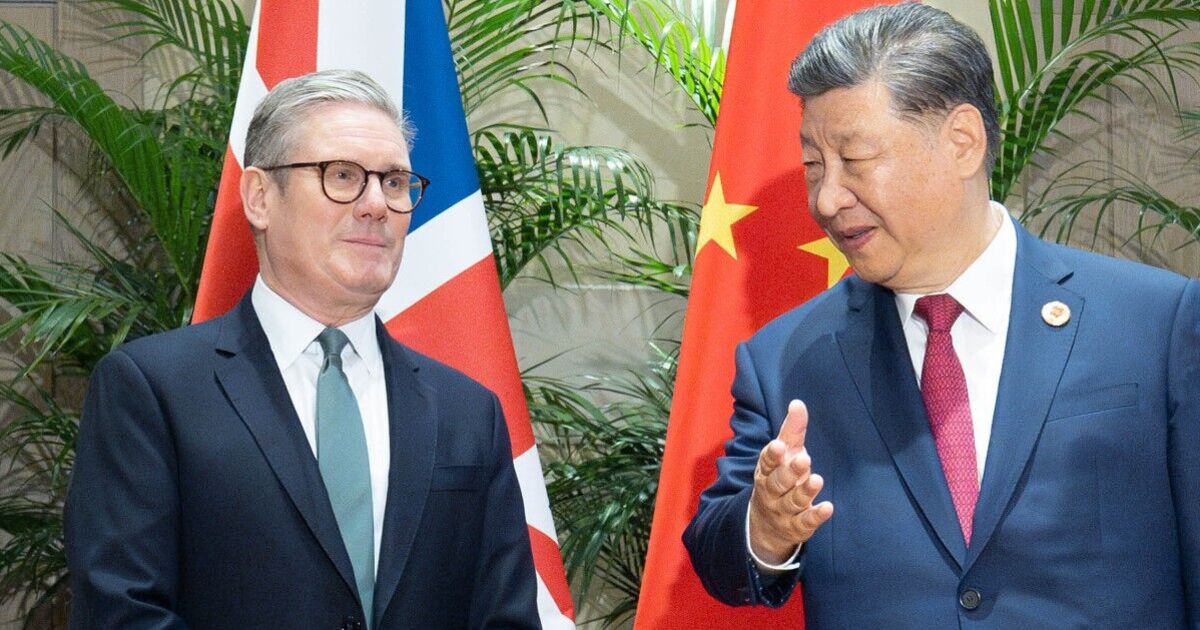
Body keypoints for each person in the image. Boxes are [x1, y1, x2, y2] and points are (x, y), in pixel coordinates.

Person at [683, 3, 1200, 627]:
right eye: (814, 166)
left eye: (856, 158)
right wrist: (765, 527)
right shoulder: (786, 359)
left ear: (962, 141)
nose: (827, 198)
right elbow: (717, 554)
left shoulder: (1155, 324)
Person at [65, 69, 539, 629]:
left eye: (394, 182)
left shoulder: (468, 412)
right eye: (342, 176)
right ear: (260, 197)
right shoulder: (152, 392)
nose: (376, 205)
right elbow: (123, 615)